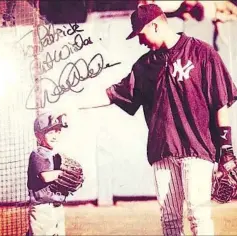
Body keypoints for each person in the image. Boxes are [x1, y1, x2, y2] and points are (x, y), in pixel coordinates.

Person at [79, 4, 237, 236]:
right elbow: (112, 94)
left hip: (198, 150)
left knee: (197, 214)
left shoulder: (201, 52)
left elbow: (220, 103)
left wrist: (227, 151)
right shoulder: (144, 67)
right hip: (162, 153)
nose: (140, 41)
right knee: (170, 218)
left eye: (141, 34)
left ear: (155, 25)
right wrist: (72, 105)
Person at [26, 111, 68, 236]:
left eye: (58, 131)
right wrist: (63, 173)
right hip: (42, 210)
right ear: (38, 135)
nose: (55, 135)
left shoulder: (55, 155)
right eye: (50, 132)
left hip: (57, 207)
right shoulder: (38, 154)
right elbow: (45, 176)